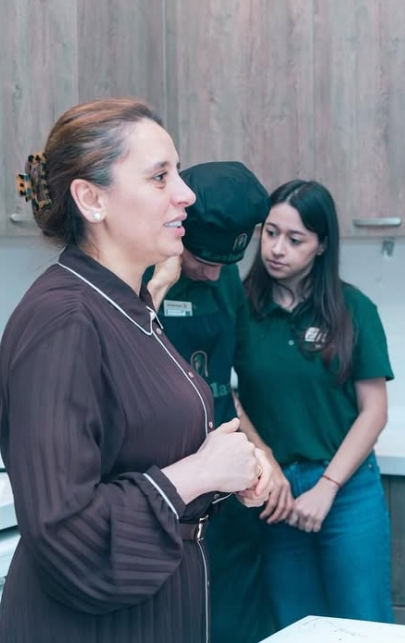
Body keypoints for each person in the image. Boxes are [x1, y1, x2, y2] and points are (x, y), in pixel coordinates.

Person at [0, 98, 273, 643]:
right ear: (92, 199)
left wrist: (228, 471)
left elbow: (141, 457)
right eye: (160, 176)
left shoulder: (128, 306)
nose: (186, 194)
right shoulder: (64, 319)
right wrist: (200, 473)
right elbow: (66, 532)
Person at [238, 180, 395, 628]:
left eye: (295, 239)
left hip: (347, 489)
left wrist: (327, 486)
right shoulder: (241, 306)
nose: (277, 249)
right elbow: (223, 394)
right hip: (275, 494)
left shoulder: (353, 308)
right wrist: (266, 464)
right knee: (295, 626)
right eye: (270, 233)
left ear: (321, 245)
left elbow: (374, 411)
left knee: (364, 625)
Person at [145, 160, 275, 642]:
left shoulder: (226, 280)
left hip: (230, 492)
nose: (216, 273)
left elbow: (226, 387)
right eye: (204, 261)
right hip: (170, 486)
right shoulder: (145, 277)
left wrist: (262, 454)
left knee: (237, 621)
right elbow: (122, 351)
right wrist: (159, 285)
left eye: (227, 263)